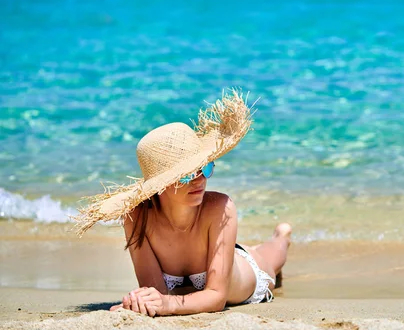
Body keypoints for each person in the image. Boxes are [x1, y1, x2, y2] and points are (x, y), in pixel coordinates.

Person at [74, 91, 291, 316]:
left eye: (204, 167)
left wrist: (167, 304)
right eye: (187, 174)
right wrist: (142, 302)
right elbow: (157, 293)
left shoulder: (220, 207)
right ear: (160, 184)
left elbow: (217, 297)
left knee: (273, 255)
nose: (201, 179)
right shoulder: (137, 218)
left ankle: (282, 234)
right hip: (218, 261)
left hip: (248, 273)